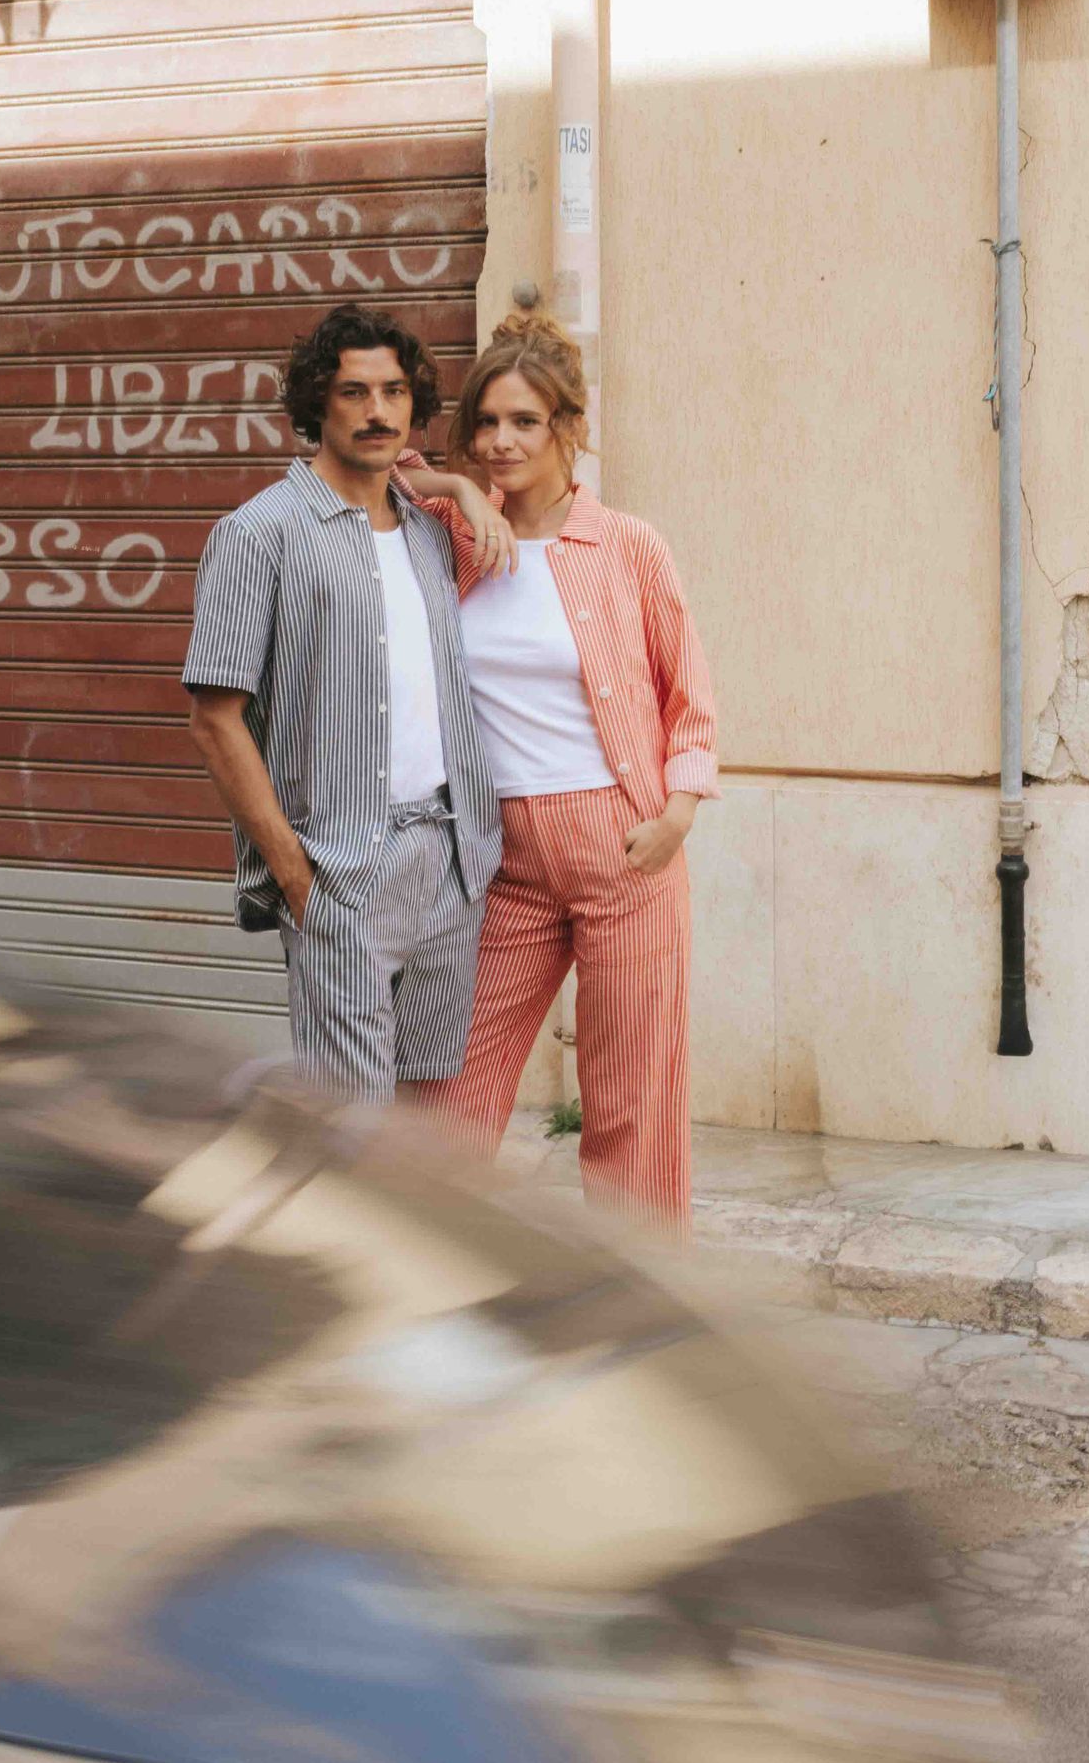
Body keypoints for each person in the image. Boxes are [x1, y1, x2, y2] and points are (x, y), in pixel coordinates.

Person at [397, 313, 718, 1226]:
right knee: (449, 1091)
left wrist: (677, 816)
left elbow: (688, 693)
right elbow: (366, 469)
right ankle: (425, 1279)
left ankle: (643, 1311)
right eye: (487, 422)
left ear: (565, 429)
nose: (502, 441)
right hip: (505, 861)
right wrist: (459, 486)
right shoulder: (452, 535)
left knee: (630, 1111)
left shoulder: (626, 546)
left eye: (525, 422)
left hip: (627, 850)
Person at [182, 304, 504, 1103]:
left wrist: (459, 481)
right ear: (316, 406)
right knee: (353, 1132)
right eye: (355, 392)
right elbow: (214, 718)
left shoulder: (431, 535)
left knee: (429, 1125)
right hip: (341, 871)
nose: (378, 411)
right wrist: (295, 874)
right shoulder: (258, 534)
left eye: (394, 392)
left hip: (450, 860)